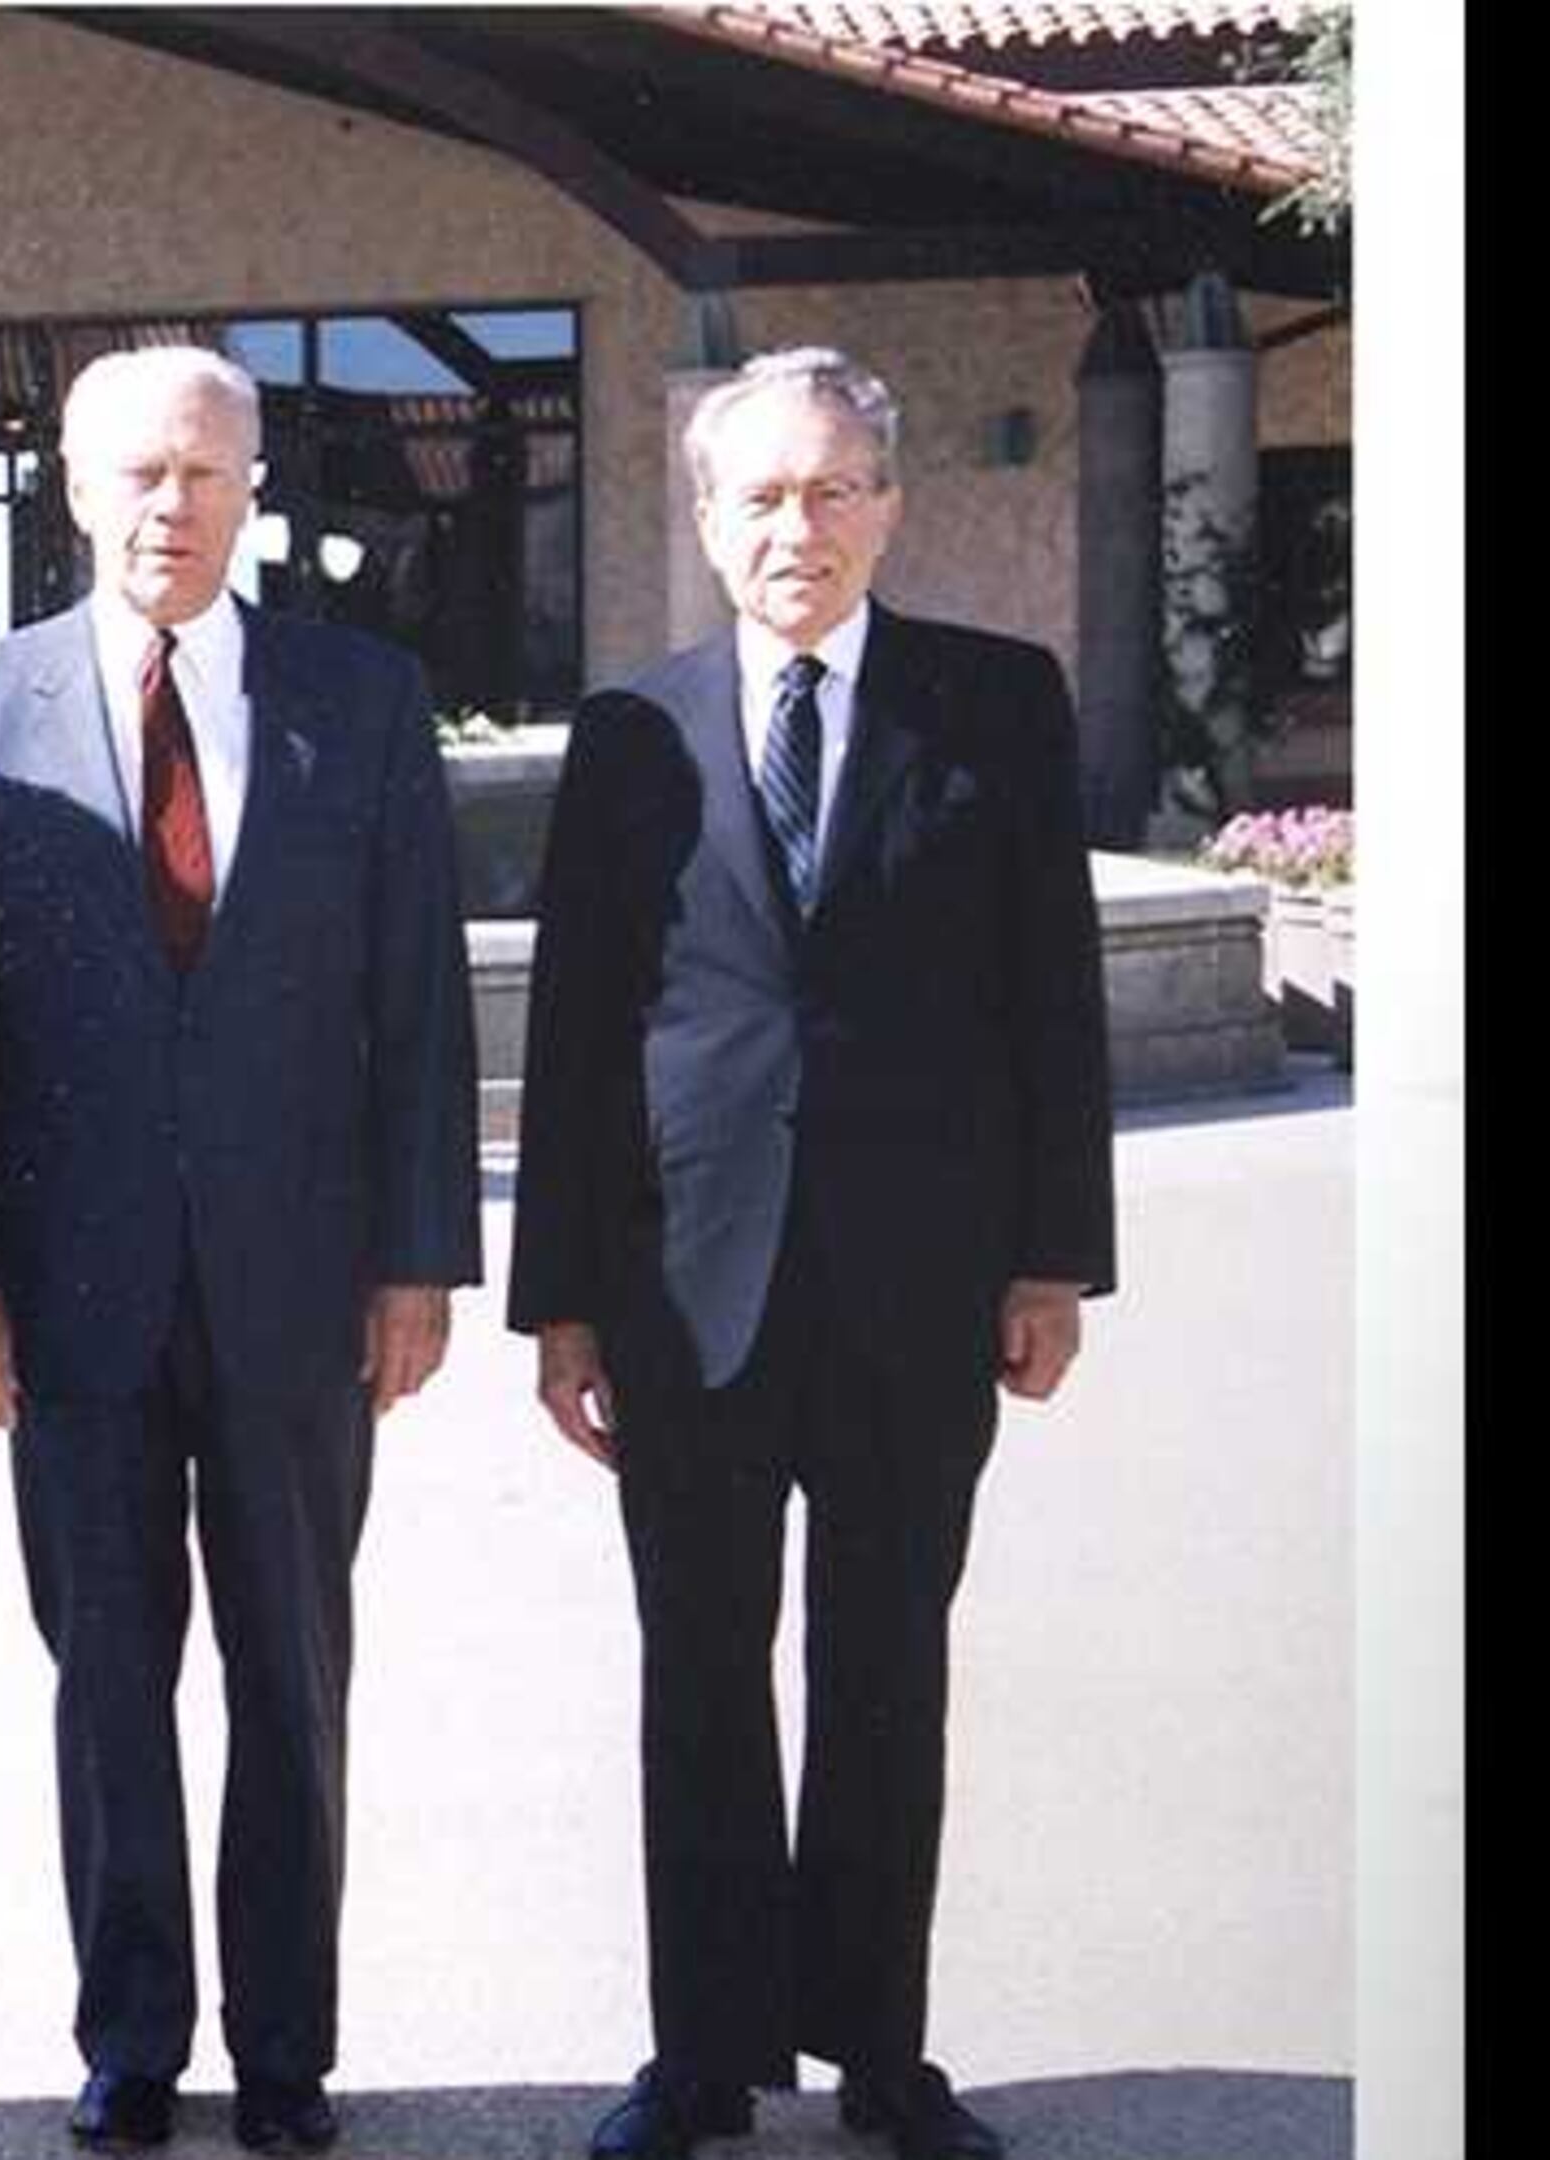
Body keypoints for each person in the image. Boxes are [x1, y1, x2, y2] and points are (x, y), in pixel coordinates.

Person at [506, 347, 1115, 2160]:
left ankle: (883, 2056)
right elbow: (575, 1034)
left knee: (885, 1669)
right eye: (762, 496)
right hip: (687, 1293)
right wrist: (562, 1309)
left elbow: (1055, 1001)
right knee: (697, 1665)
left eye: (835, 488)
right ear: (705, 521)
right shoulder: (633, 733)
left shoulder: (994, 707)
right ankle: (699, 2059)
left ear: (892, 508)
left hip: (923, 1290)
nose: (800, 526)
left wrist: (1050, 1262)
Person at [0, 346, 480, 2155]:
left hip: (303, 1290)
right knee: (109, 1678)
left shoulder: (359, 700)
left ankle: (287, 2046)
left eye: (206, 476)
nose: (171, 508)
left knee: (294, 1676)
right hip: (70, 1298)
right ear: (72, 487)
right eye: (137, 474)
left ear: (253, 487)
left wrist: (419, 1261)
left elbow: (420, 1004)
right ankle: (133, 2038)